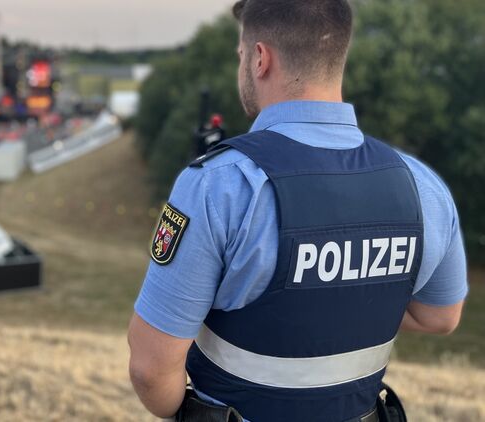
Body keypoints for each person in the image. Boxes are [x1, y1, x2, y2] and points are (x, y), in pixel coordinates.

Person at [127, 1, 468, 421]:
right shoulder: (422, 185)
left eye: (240, 55)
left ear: (259, 58)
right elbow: (440, 316)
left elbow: (150, 369)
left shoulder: (218, 184)